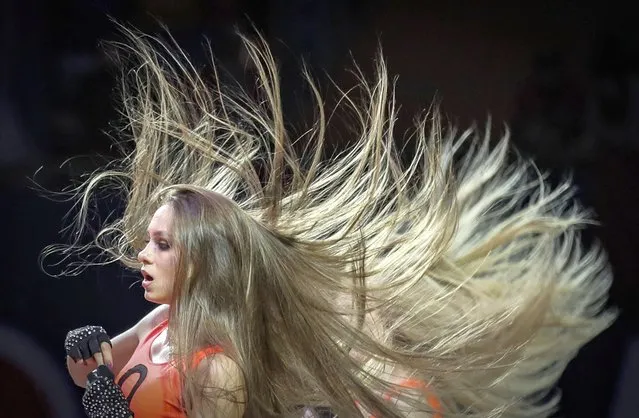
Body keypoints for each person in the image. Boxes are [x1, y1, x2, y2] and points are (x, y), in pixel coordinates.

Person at [46, 27, 616, 417]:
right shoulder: (175, 327)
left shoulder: (234, 374)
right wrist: (92, 362)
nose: (143, 254)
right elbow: (97, 367)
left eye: (162, 242)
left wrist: (100, 395)